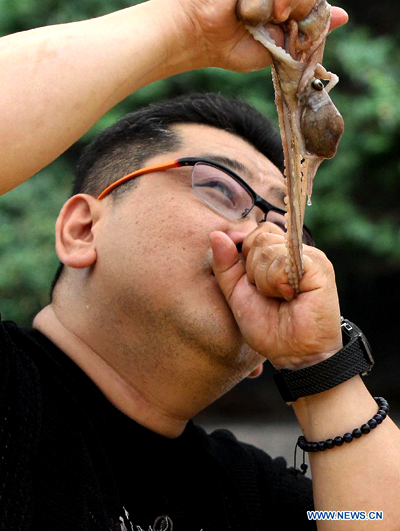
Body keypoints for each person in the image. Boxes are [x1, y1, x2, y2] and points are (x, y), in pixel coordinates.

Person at [1, 0, 399, 529]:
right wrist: (186, 26)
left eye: (285, 226)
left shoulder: (259, 499)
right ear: (82, 230)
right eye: (218, 187)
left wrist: (321, 369)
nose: (260, 238)